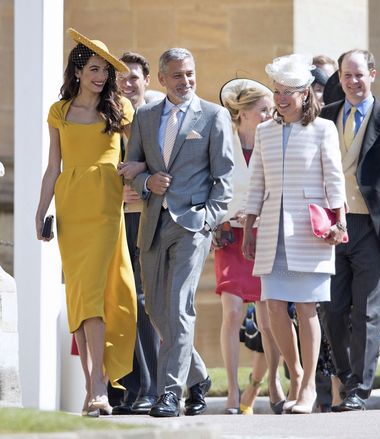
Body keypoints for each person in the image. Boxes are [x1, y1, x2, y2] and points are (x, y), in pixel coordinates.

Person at [124, 48, 234, 417]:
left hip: (193, 226)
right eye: (177, 75)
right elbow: (132, 168)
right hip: (153, 221)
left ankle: (168, 392)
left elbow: (225, 179)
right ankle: (198, 376)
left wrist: (208, 220)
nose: (186, 81)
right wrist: (146, 181)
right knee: (155, 308)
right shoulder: (144, 116)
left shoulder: (214, 116)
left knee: (180, 305)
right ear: (161, 79)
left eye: (190, 74)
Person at [35, 28, 137, 417]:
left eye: (105, 72)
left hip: (106, 205)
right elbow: (51, 168)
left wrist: (137, 172)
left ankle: (99, 386)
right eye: (93, 68)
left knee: (98, 292)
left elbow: (142, 152)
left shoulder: (120, 110)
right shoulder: (58, 112)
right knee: (80, 294)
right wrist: (40, 210)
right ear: (78, 70)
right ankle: (92, 385)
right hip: (71, 207)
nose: (100, 77)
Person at [242, 54, 347, 415]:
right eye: (277, 92)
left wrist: (341, 222)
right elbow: (256, 182)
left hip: (309, 230)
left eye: (288, 92)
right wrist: (248, 227)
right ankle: (295, 370)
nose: (281, 98)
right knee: (272, 306)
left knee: (305, 307)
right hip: (271, 231)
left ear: (305, 94)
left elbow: (335, 179)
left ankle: (306, 389)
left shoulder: (323, 129)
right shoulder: (264, 131)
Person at [319, 49, 380, 412]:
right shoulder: (325, 117)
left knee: (368, 312)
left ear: (373, 74)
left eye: (360, 75)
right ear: (340, 78)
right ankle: (346, 376)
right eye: (347, 75)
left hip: (372, 227)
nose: (354, 82)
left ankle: (359, 389)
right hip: (331, 227)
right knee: (331, 308)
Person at [215, 78, 286, 415]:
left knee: (268, 318)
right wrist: (227, 216)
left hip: (262, 234)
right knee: (231, 312)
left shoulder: (273, 141)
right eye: (263, 110)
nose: (270, 116)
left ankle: (272, 383)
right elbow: (211, 184)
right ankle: (232, 392)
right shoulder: (222, 140)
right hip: (230, 235)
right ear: (243, 113)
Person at [110, 52, 160, 415]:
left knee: (145, 304)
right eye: (122, 78)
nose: (128, 84)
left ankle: (151, 388)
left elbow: (170, 168)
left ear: (146, 81)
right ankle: (128, 389)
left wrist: (140, 180)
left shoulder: (156, 119)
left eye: (134, 78)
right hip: (113, 222)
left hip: (148, 220)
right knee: (124, 303)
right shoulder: (108, 119)